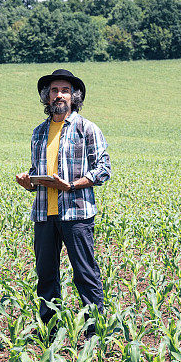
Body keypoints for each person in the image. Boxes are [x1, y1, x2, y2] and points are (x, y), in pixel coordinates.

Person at [15, 69, 111, 338]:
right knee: (46, 276)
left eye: (65, 90)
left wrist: (69, 185)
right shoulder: (39, 132)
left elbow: (103, 169)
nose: (59, 95)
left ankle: (96, 333)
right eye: (54, 90)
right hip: (44, 213)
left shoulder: (87, 128)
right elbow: (38, 171)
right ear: (47, 97)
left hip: (77, 213)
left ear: (74, 97)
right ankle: (50, 330)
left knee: (84, 273)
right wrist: (29, 182)